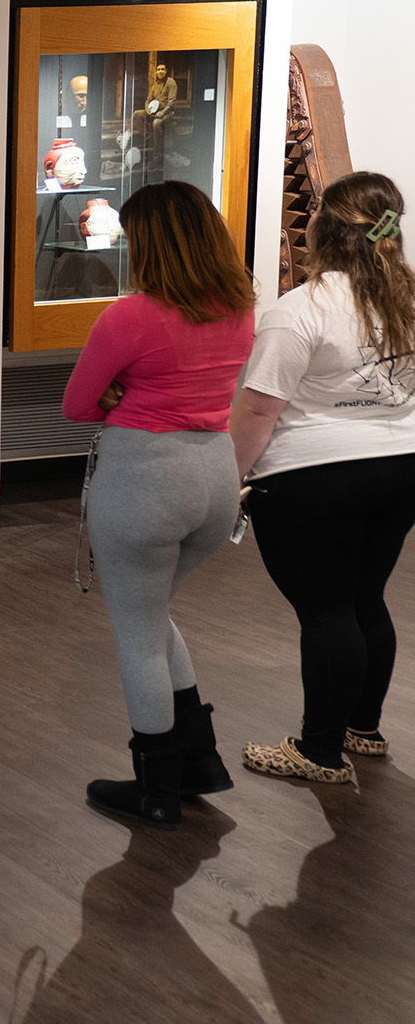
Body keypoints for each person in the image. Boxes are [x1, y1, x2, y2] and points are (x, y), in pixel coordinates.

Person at [62, 180, 254, 830]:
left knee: (138, 635)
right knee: (151, 615)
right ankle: (199, 761)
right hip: (215, 477)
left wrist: (117, 392)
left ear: (151, 242)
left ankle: (156, 789)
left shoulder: (129, 317)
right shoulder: (240, 309)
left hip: (146, 481)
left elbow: (77, 404)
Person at [230, 171, 415, 785]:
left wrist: (229, 480)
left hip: (314, 479)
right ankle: (362, 729)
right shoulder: (408, 300)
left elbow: (259, 409)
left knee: (328, 610)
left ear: (323, 230)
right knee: (365, 599)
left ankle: (320, 752)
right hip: (401, 470)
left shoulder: (299, 309)